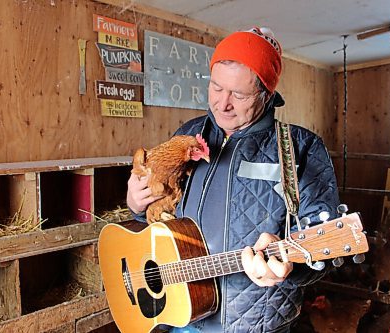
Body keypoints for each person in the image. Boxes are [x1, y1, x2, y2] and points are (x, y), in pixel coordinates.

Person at [127, 27, 340, 333]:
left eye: (239, 95)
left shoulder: (299, 148)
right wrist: (136, 204)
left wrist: (290, 266)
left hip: (254, 324)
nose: (222, 103)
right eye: (215, 87)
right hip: (180, 314)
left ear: (266, 95)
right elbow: (162, 214)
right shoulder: (189, 134)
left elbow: (324, 243)